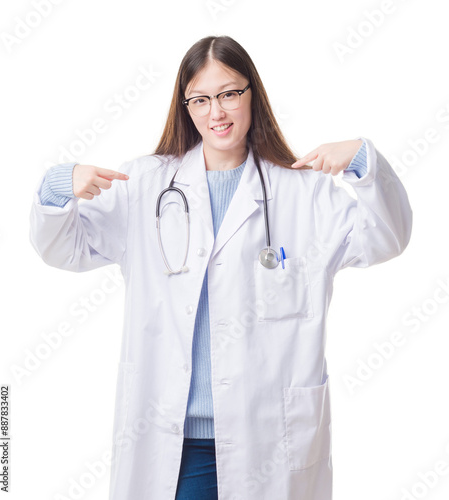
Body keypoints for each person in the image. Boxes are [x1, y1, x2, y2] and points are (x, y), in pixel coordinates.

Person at [29, 35, 413, 500]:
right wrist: (56, 188)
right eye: (202, 98)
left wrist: (363, 161)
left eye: (230, 93)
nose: (217, 112)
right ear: (185, 106)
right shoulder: (145, 186)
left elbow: (386, 238)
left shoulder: (304, 193)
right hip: (175, 442)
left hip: (270, 440)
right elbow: (64, 249)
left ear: (253, 94)